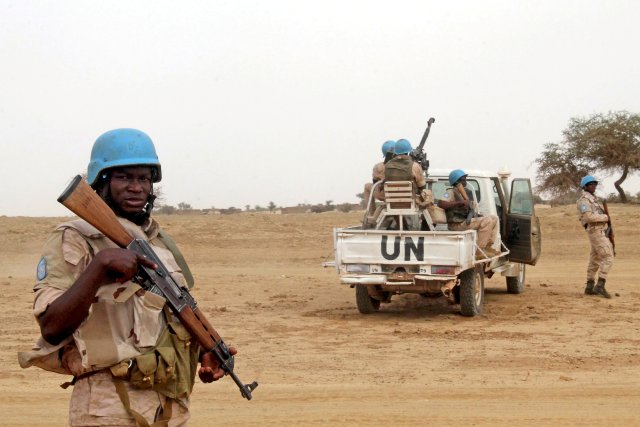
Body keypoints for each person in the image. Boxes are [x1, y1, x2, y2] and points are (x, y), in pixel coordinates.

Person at [19, 128, 234, 426]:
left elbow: (167, 317)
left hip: (169, 404)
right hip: (109, 403)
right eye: (125, 177)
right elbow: (52, 327)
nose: (136, 187)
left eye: (144, 178)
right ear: (101, 181)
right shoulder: (76, 238)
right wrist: (100, 267)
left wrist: (202, 353)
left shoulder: (159, 242)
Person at [437, 169, 500, 258]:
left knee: (494, 218)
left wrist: (475, 214)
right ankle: (479, 251)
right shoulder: (450, 192)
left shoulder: (465, 193)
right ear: (457, 181)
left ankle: (487, 247)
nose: (465, 181)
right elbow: (441, 203)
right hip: (456, 224)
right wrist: (460, 203)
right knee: (488, 221)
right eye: (463, 179)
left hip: (465, 221)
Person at [576, 175, 613, 298]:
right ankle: (600, 286)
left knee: (595, 258)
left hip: (600, 230)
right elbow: (588, 217)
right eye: (591, 184)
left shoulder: (593, 199)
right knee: (608, 256)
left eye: (595, 184)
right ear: (585, 186)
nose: (593, 186)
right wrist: (605, 217)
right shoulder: (584, 201)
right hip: (595, 231)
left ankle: (590, 286)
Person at [362, 140, 395, 215]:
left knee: (367, 186)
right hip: (404, 195)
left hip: (385, 195)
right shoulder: (407, 167)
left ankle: (372, 213)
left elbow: (375, 183)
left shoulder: (378, 167)